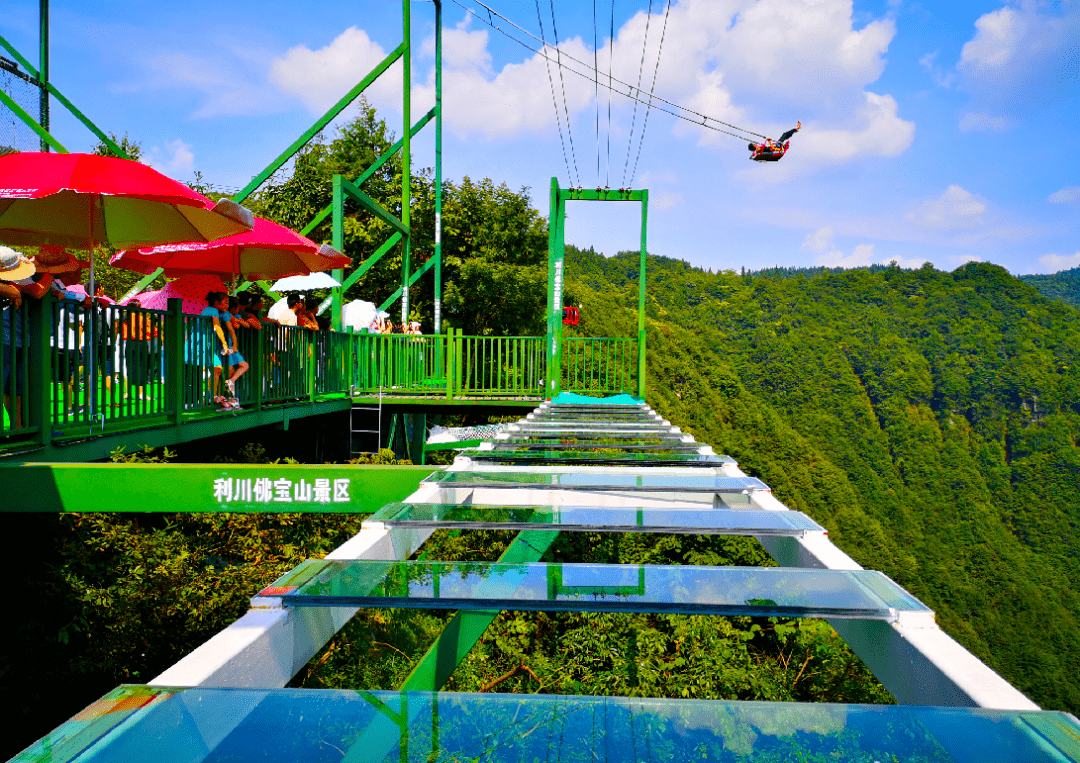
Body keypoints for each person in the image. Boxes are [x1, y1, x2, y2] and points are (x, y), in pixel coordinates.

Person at [200, 292, 248, 410]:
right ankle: (212, 398)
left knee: (219, 371)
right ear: (217, 302)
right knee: (218, 370)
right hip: (204, 344)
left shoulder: (219, 312)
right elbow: (217, 327)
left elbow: (232, 328)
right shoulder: (213, 311)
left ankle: (215, 398)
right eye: (225, 303)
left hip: (210, 345)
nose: (227, 305)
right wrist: (225, 344)